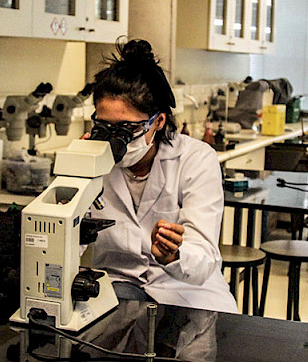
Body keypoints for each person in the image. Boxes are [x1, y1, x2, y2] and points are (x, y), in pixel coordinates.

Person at [86, 38, 238, 314]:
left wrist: (174, 255)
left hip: (185, 289)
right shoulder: (91, 159)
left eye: (127, 128)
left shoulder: (196, 159)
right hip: (118, 284)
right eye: (104, 126)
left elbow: (203, 256)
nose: (115, 138)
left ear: (158, 121)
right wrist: (77, 174)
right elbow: (65, 237)